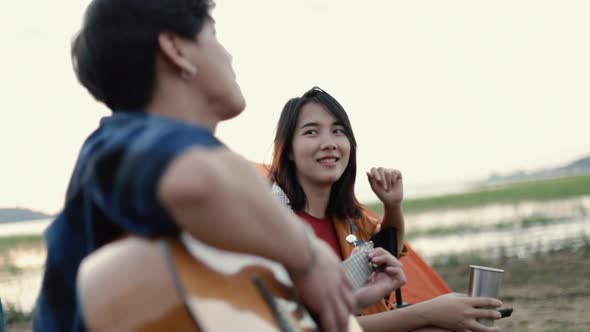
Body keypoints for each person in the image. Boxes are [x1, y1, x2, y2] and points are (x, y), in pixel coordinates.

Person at [33, 2, 361, 331]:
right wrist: (309, 256)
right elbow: (196, 181)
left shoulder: (198, 213)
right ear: (176, 48)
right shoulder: (117, 142)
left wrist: (334, 301)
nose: (229, 55)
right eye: (214, 34)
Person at [269, 86, 504, 332]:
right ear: (289, 151)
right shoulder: (274, 227)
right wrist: (427, 312)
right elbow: (305, 327)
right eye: (311, 132)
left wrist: (392, 206)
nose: (329, 143)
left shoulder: (347, 218)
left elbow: (388, 246)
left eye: (338, 131)